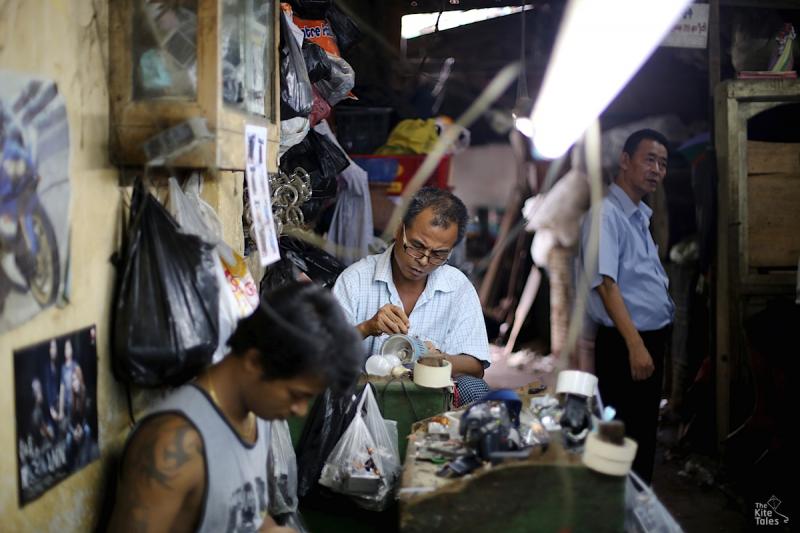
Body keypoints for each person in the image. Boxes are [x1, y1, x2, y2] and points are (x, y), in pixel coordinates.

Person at [108, 282, 362, 533]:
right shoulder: (173, 443)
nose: (300, 410)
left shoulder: (256, 413)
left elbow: (242, 515)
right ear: (255, 362)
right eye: (297, 395)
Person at [577, 129, 675, 484]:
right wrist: (635, 346)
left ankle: (633, 512)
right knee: (624, 438)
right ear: (625, 161)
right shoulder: (606, 215)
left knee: (642, 435)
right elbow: (606, 284)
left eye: (662, 164)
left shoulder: (637, 216)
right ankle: (620, 514)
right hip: (626, 343)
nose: (657, 170)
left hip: (645, 340)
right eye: (649, 159)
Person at [332, 187, 491, 405]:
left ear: (451, 251)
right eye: (417, 246)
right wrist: (367, 328)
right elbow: (324, 350)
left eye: (438, 254)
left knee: (476, 390)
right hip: (362, 399)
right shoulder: (355, 280)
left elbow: (476, 366)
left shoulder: (458, 287)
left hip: (430, 401)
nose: (424, 261)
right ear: (399, 230)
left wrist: (438, 360)